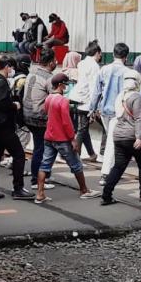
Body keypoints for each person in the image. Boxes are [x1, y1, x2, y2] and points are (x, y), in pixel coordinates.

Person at [34, 73, 100, 203]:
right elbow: (66, 122)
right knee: (76, 165)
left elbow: (47, 113)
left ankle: (40, 194)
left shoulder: (48, 98)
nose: (67, 86)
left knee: (45, 165)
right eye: (66, 84)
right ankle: (84, 190)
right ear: (60, 85)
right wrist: (72, 138)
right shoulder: (63, 101)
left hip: (49, 136)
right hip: (62, 138)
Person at [101, 70, 141, 205]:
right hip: (133, 136)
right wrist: (140, 137)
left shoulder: (120, 96)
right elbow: (138, 118)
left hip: (118, 135)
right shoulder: (136, 97)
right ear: (137, 82)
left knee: (118, 166)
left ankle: (106, 195)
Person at [0, 55, 33, 200]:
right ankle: (18, 188)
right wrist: (14, 105)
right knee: (19, 154)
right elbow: (1, 103)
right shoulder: (1, 82)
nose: (12, 70)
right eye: (10, 67)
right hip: (3, 125)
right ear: (6, 67)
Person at [90, 42, 130, 186]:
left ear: (113, 54)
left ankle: (113, 171)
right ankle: (106, 174)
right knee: (112, 144)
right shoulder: (128, 73)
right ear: (126, 56)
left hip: (104, 111)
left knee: (113, 141)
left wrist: (91, 109)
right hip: (119, 112)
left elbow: (96, 92)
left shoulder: (103, 70)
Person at [24, 48, 58, 193]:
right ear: (51, 63)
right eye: (55, 60)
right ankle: (37, 179)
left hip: (27, 114)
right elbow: (55, 96)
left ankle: (39, 176)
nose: (56, 63)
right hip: (40, 117)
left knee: (40, 147)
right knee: (42, 149)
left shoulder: (32, 73)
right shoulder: (49, 78)